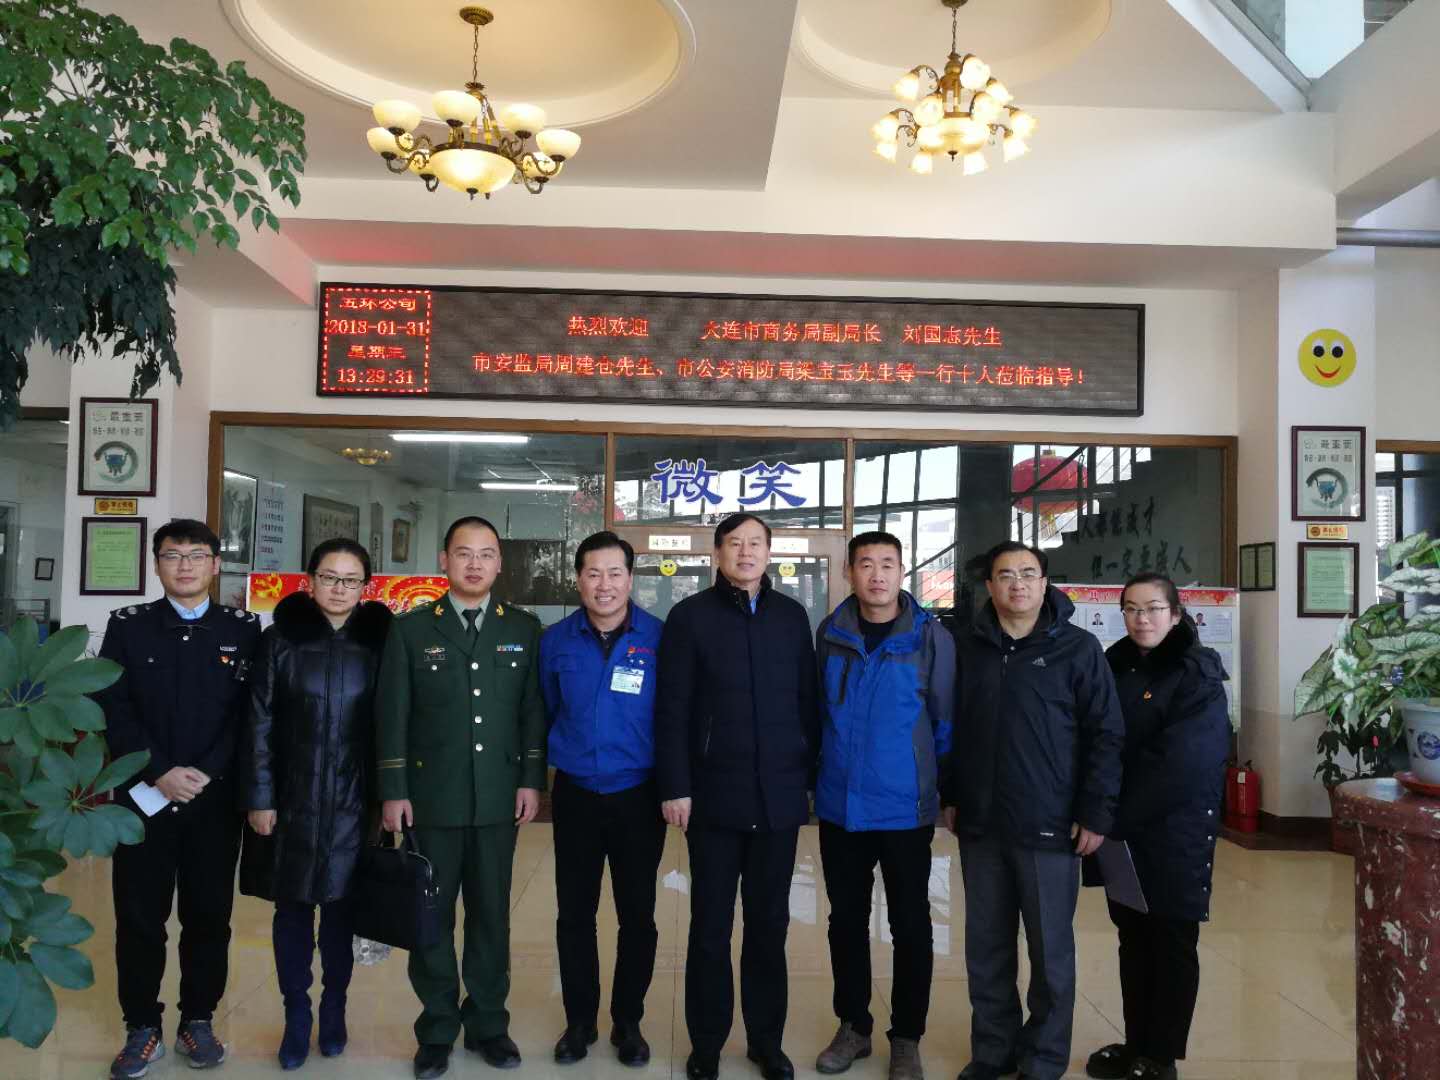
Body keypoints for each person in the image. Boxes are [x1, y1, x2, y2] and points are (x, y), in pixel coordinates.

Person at [942, 541, 1124, 1080]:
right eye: (1005, 575)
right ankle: (992, 1050)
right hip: (981, 823)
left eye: (1027, 573)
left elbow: (1106, 734)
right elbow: (951, 728)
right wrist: (952, 795)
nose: (1017, 584)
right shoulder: (967, 647)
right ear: (989, 586)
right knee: (986, 948)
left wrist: (1096, 812)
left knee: (1050, 952)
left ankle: (1043, 1058)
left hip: (1051, 824)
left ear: (1045, 583)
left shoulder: (1078, 648)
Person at [375, 515, 547, 1079]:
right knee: (431, 918)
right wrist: (394, 790)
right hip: (431, 800)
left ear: (500, 563)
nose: (475, 564)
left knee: (491, 916)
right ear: (444, 561)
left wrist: (530, 780)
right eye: (464, 553)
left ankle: (489, 1024)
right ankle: (437, 1029)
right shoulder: (410, 630)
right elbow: (392, 716)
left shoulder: (522, 628)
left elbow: (531, 712)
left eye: (486, 554)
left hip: (498, 798)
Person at [655, 513, 819, 1080]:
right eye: (734, 543)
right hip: (713, 800)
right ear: (717, 553)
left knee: (769, 928)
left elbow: (807, 704)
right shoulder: (689, 617)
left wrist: (808, 777)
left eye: (755, 543)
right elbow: (672, 708)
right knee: (709, 929)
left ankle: (766, 1041)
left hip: (778, 799)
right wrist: (675, 785)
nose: (745, 552)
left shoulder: (791, 616)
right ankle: (706, 1042)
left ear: (769, 553)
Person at [97, 519, 262, 1078]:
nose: (185, 565)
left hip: (213, 801)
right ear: (157, 564)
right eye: (172, 555)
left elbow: (248, 715)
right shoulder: (129, 626)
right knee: (139, 916)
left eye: (196, 555)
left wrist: (204, 772)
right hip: (142, 798)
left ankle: (198, 1020)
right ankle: (142, 1027)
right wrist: (160, 771)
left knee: (208, 916)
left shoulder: (243, 628)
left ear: (216, 565)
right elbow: (114, 708)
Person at [243, 538, 393, 1070]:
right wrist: (260, 797)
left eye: (351, 580)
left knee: (341, 910)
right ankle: (296, 1014)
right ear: (310, 581)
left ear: (366, 587)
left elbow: (394, 724)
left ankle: (334, 1008)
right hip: (292, 800)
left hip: (357, 800)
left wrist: (390, 797)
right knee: (292, 910)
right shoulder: (279, 640)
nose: (339, 589)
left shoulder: (381, 643)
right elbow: (259, 724)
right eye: (329, 577)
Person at [813, 532, 954, 1080]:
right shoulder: (831, 633)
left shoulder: (930, 638)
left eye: (887, 564)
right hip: (841, 806)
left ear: (902, 571)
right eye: (866, 564)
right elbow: (817, 713)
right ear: (849, 572)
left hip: (904, 808)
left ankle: (907, 1037)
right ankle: (853, 1026)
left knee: (911, 924)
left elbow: (945, 723)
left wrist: (942, 793)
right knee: (845, 922)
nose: (877, 575)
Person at [1082, 574, 1229, 1080]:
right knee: (1134, 937)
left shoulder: (1196, 673)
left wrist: (1110, 815)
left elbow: (1182, 764)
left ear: (1176, 614)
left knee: (1170, 942)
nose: (1141, 618)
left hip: (1173, 832)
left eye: (1153, 608)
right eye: (1131, 608)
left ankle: (1161, 1058)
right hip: (1122, 832)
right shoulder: (1116, 664)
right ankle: (1137, 1044)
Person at [539, 531, 666, 1067]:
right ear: (578, 580)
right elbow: (548, 708)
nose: (604, 584)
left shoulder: (660, 638)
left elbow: (672, 717)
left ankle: (627, 1021)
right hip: (576, 794)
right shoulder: (555, 641)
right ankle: (580, 1021)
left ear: (631, 579)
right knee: (575, 913)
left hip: (639, 795)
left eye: (615, 573)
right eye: (593, 573)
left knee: (638, 915)